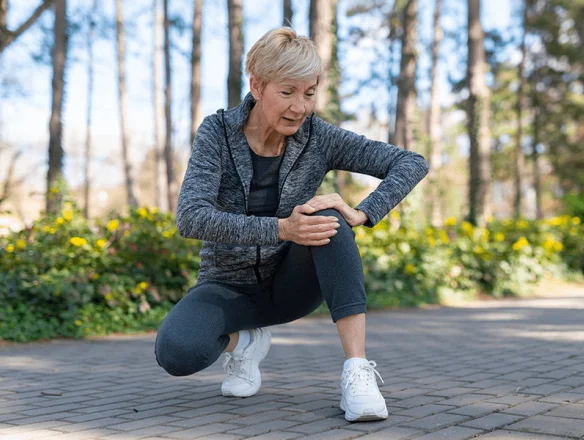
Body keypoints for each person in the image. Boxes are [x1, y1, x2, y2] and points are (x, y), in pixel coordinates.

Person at [154, 26, 429, 422]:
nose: (300, 107)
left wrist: (365, 211)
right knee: (176, 353)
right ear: (258, 85)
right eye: (287, 92)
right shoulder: (217, 132)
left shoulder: (319, 136)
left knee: (328, 216)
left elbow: (411, 162)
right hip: (226, 287)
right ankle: (245, 344)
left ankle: (357, 371)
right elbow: (191, 217)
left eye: (309, 93)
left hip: (291, 287)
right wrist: (282, 228)